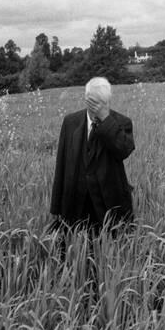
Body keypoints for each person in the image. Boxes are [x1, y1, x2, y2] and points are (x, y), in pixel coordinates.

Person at [50, 76, 135, 234]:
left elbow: (124, 149)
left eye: (102, 104)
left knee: (110, 248)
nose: (97, 108)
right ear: (86, 100)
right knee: (74, 248)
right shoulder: (70, 122)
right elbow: (61, 165)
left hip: (108, 204)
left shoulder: (122, 122)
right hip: (75, 202)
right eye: (93, 103)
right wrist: (56, 207)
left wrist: (105, 119)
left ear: (108, 101)